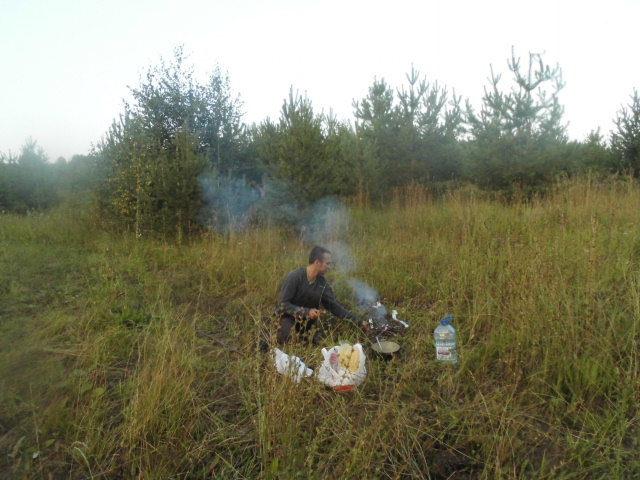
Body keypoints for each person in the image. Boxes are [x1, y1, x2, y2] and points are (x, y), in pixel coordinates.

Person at [273, 246, 369, 345]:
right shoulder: (294, 276)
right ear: (318, 262)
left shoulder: (322, 283)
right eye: (328, 263)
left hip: (305, 323)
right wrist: (306, 312)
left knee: (312, 341)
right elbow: (282, 304)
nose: (329, 267)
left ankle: (306, 335)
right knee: (288, 337)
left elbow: (334, 306)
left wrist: (359, 321)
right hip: (286, 318)